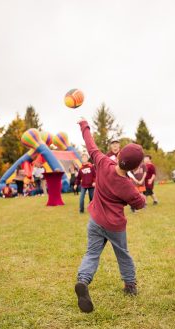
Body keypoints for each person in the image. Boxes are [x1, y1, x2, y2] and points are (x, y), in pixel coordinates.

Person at [74, 119, 145, 313]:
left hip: (95, 221)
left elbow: (91, 145)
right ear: (134, 168)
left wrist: (84, 126)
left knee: (92, 253)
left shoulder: (103, 162)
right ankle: (130, 285)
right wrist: (139, 198)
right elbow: (139, 203)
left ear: (119, 154)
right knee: (123, 254)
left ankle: (83, 280)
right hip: (115, 226)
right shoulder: (128, 186)